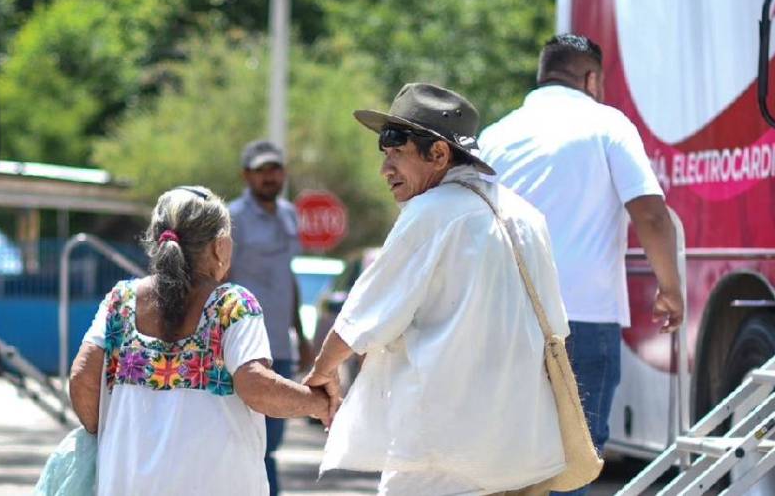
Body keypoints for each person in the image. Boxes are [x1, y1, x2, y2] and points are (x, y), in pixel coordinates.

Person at [305, 83, 571, 495]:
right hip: (520, 453)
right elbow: (556, 328)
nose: (385, 169)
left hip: (442, 456)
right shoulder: (528, 217)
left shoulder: (430, 212)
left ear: (440, 154)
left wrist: (322, 372)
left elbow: (364, 318)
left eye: (396, 152)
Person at [479, 33, 684, 495]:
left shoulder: (496, 135)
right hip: (583, 320)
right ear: (591, 78)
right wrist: (671, 287)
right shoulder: (607, 124)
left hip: (505, 321)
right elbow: (650, 213)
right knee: (576, 462)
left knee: (509, 461)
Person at [68, 186, 330, 496]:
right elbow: (256, 387)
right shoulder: (234, 305)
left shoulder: (120, 302)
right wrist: (321, 403)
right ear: (220, 246)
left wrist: (119, 438)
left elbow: (82, 380)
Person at [227, 140, 313, 495]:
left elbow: (286, 276)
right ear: (247, 175)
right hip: (242, 347)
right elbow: (219, 277)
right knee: (244, 444)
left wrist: (302, 334)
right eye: (261, 170)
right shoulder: (231, 218)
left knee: (270, 444)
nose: (269, 177)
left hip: (280, 344)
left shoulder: (290, 214)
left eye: (275, 169)